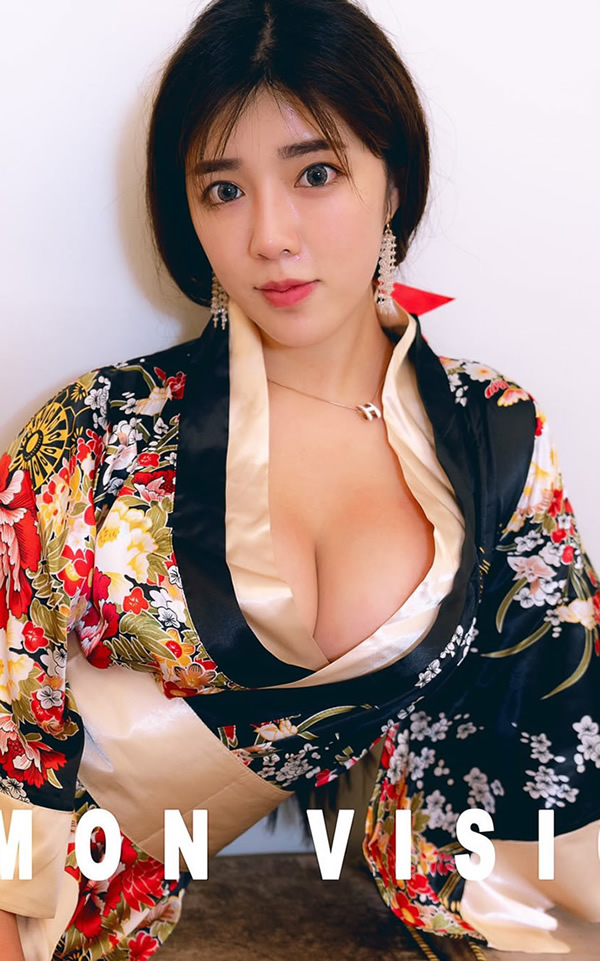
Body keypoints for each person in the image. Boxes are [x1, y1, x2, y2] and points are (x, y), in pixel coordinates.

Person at [1, 0, 599, 957]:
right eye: (223, 189)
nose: (272, 236)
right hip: (48, 906)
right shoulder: (98, 433)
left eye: (316, 173)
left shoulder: (494, 434)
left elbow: (550, 734)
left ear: (392, 179)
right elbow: (10, 717)